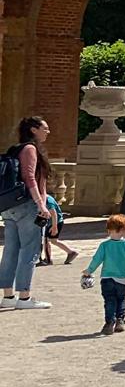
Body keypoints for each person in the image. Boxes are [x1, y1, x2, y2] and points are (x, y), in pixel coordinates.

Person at [0, 115, 56, 309]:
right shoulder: (30, 149)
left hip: (9, 206)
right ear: (34, 129)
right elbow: (30, 178)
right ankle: (24, 297)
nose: (48, 131)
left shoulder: (14, 149)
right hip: (27, 205)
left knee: (10, 251)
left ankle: (8, 296)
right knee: (29, 251)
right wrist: (41, 205)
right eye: (45, 128)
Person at [80, 213, 125, 335]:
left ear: (109, 230)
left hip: (107, 277)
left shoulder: (104, 245)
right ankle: (120, 320)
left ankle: (109, 322)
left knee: (109, 300)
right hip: (123, 278)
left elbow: (97, 259)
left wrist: (89, 270)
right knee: (121, 299)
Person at [38, 194, 78, 266]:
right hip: (53, 222)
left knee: (47, 240)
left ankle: (48, 260)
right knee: (54, 241)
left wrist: (54, 226)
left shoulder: (48, 200)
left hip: (55, 222)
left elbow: (54, 213)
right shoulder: (44, 198)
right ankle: (71, 252)